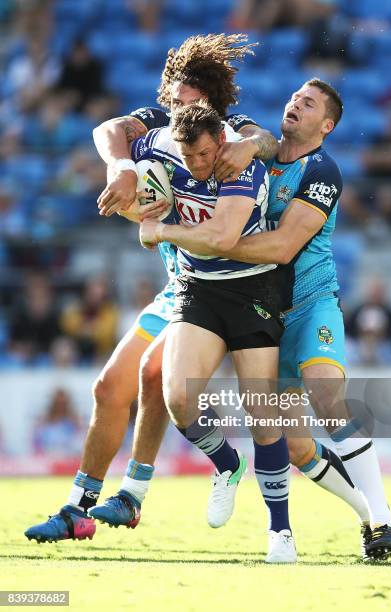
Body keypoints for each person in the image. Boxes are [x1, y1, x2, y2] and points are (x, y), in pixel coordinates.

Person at [24, 33, 279, 545]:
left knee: (155, 373)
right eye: (173, 100)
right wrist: (120, 168)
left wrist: (253, 144)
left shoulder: (235, 136)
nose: (175, 110)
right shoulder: (162, 129)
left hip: (234, 287)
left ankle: (136, 492)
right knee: (107, 387)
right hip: (180, 284)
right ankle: (82, 507)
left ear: (211, 101)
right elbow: (109, 128)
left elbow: (269, 140)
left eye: (188, 101)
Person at [192, 78, 391, 562]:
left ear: (326, 126)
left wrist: (216, 243)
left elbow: (285, 245)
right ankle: (371, 518)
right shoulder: (261, 155)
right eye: (292, 97)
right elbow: (253, 140)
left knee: (327, 394)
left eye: (307, 103)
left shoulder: (322, 170)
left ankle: (385, 518)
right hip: (264, 317)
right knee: (296, 448)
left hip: (311, 304)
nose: (294, 103)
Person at [112, 102, 296, 562]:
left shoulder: (239, 162)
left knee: (262, 413)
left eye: (204, 155)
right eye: (188, 156)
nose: (196, 164)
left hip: (252, 288)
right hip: (198, 290)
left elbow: (222, 238)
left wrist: (161, 229)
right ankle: (227, 463)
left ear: (220, 142)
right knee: (177, 399)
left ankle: (280, 532)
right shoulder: (159, 146)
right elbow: (109, 132)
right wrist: (121, 172)